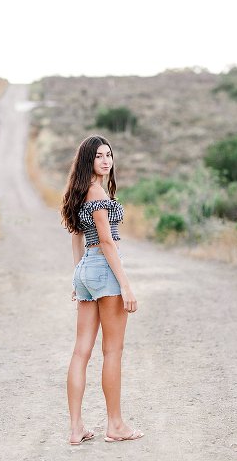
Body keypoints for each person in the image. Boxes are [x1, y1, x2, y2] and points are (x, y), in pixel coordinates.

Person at [60, 134, 143, 445]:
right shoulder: (97, 195)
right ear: (88, 161)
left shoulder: (80, 193)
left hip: (85, 270)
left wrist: (78, 276)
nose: (106, 160)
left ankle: (76, 428)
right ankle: (116, 425)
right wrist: (125, 285)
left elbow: (76, 236)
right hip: (104, 270)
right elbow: (107, 242)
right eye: (98, 156)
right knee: (112, 351)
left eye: (108, 154)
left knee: (81, 351)